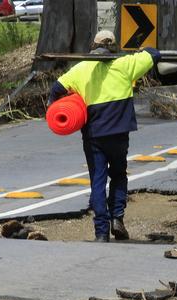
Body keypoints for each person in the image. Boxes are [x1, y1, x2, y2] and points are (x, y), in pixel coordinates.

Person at [48, 31, 161, 242]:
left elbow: (56, 90)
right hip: (119, 134)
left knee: (97, 181)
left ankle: (101, 232)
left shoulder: (81, 69)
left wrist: (64, 106)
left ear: (93, 46)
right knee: (118, 175)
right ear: (115, 47)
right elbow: (154, 54)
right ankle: (117, 218)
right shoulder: (126, 64)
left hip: (94, 136)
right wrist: (141, 52)